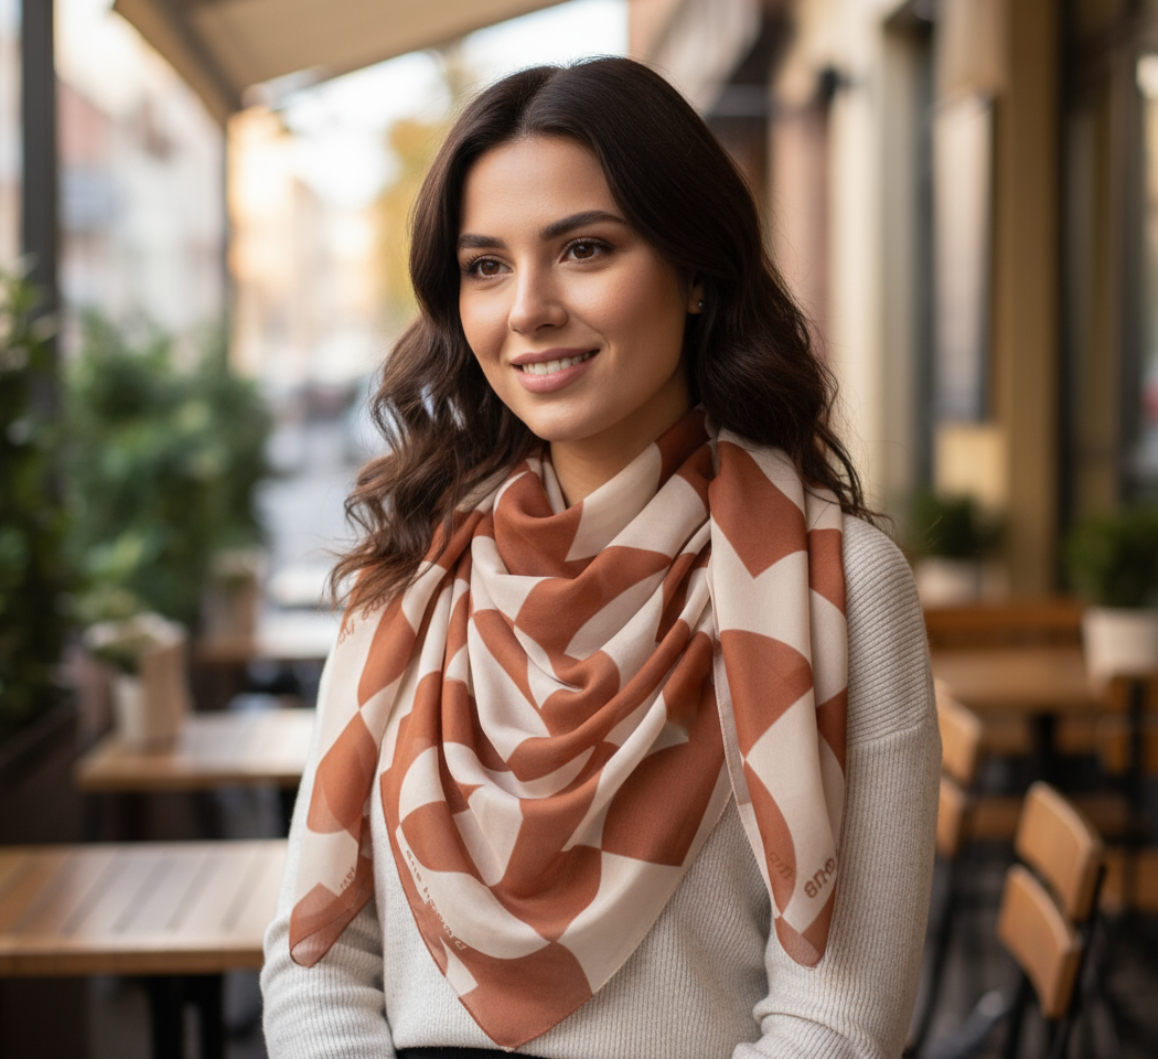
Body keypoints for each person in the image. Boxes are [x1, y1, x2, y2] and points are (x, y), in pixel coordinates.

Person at [262, 57, 939, 1059]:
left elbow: (836, 1019)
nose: (526, 307)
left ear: (697, 270)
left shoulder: (837, 589)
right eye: (486, 265)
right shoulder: (409, 580)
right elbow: (318, 962)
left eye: (584, 249)